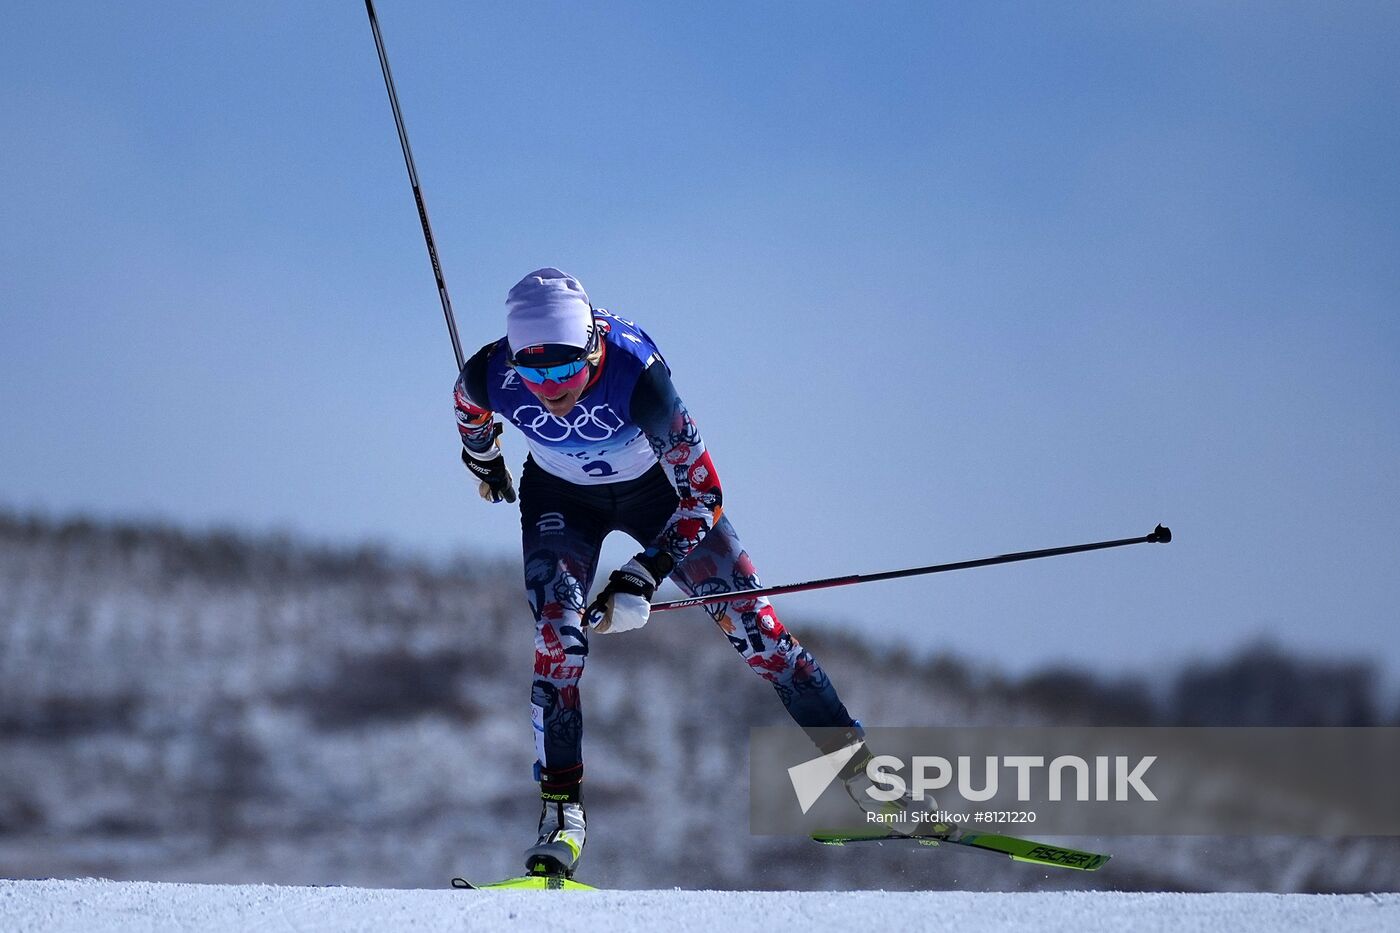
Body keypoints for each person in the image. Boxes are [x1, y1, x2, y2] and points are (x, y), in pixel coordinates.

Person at [453, 268, 902, 877]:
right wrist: (485, 460)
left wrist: (645, 572)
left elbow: (704, 495)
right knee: (558, 641)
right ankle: (561, 817)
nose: (551, 389)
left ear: (593, 349)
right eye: (535, 374)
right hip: (561, 498)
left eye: (566, 370)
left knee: (761, 635)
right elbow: (469, 410)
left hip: (661, 495)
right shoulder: (489, 373)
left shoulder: (636, 376)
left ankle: (866, 781)